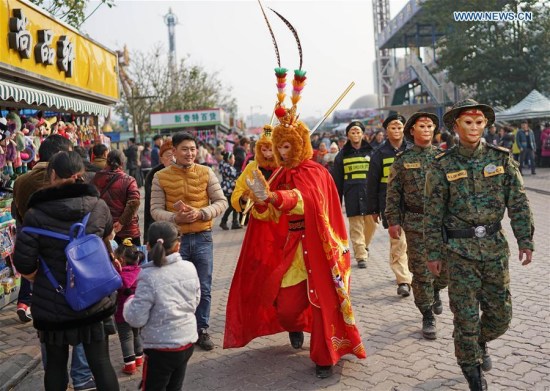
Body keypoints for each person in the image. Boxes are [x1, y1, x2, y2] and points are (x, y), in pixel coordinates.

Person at [231, 68, 366, 379]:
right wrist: (261, 201)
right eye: (279, 146)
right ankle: (295, 327)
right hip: (292, 248)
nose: (281, 151)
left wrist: (277, 198)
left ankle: (324, 357)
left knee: (323, 304)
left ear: (300, 144)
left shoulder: (314, 171)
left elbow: (307, 201)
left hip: (320, 247)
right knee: (288, 307)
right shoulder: (280, 172)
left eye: (287, 146)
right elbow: (270, 214)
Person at [424, 99, 534, 390]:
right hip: (459, 253)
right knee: (466, 316)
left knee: (501, 315)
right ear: (456, 126)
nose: (474, 127)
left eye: (479, 122)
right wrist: (433, 252)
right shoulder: (442, 165)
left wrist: (525, 239)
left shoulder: (500, 159)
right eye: (468, 122)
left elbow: (519, 202)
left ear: (485, 125)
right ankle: (471, 369)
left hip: (495, 250)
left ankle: (479, 340)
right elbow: (432, 214)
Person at [13, 151, 119, 391]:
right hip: (93, 297)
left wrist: (41, 277)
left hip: (53, 303)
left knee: (55, 369)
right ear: (81, 174)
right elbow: (108, 236)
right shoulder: (98, 206)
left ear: (52, 175)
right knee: (101, 364)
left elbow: (24, 263)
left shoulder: (35, 214)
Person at [150, 131, 227, 351]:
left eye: (193, 149)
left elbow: (221, 202)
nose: (190, 153)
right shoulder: (160, 177)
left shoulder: (206, 172)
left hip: (203, 237)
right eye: (184, 149)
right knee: (176, 287)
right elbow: (154, 210)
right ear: (173, 151)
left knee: (203, 286)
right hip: (176, 240)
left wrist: (202, 213)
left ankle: (202, 329)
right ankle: (180, 331)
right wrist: (175, 218)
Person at [385, 112, 448, 340]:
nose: (427, 129)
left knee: (446, 270)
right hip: (415, 223)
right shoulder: (402, 160)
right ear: (412, 130)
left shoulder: (444, 157)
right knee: (421, 272)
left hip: (443, 224)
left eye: (430, 126)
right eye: (422, 126)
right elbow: (393, 194)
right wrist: (393, 221)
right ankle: (427, 313)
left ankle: (437, 290)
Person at [123, 221, 200, 391]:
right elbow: (195, 302)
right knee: (175, 387)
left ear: (148, 246)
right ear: (178, 246)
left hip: (160, 348)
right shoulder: (189, 267)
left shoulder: (147, 275)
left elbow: (136, 318)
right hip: (187, 341)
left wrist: (129, 302)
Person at [366, 114, 413, 297]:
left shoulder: (412, 150)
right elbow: (371, 183)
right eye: (393, 127)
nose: (397, 130)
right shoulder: (379, 154)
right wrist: (372, 209)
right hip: (390, 204)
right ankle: (403, 280)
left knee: (412, 243)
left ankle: (408, 272)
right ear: (386, 130)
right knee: (398, 242)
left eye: (400, 127)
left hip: (413, 204)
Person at [332, 120, 377, 269]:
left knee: (371, 225)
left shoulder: (372, 153)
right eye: (353, 132)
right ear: (348, 136)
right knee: (356, 227)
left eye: (358, 132)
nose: (356, 134)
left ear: (363, 134)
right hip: (352, 196)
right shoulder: (341, 156)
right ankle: (360, 255)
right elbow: (336, 181)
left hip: (370, 195)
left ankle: (364, 246)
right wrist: (337, 202)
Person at [93, 150, 141, 246]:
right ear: (122, 163)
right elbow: (134, 203)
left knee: (109, 259)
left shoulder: (96, 178)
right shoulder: (129, 180)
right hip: (127, 231)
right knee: (131, 259)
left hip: (105, 229)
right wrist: (121, 223)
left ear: (107, 162)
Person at [113, 238, 144, 375]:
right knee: (137, 334)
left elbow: (119, 287)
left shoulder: (120, 275)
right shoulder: (140, 271)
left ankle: (129, 365)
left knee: (126, 337)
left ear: (121, 259)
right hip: (138, 311)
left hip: (122, 313)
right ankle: (139, 359)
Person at [143, 140, 174, 243]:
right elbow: (149, 209)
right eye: (169, 155)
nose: (172, 159)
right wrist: (147, 238)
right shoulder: (153, 176)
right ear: (161, 159)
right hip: (162, 229)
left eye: (175, 155)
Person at [219, 151, 241, 230]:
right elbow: (234, 175)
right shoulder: (228, 167)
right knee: (233, 205)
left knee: (235, 205)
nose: (234, 160)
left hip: (229, 187)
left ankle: (235, 222)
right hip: (230, 188)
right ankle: (223, 221)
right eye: (233, 158)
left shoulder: (225, 165)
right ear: (229, 159)